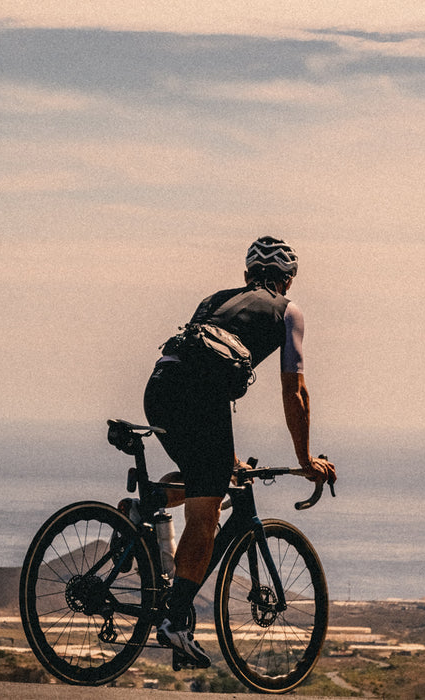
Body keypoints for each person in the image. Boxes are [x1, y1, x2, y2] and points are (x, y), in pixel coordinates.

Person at [143, 236, 336, 668]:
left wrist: (228, 458)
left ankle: (146, 506)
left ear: (247, 274)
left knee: (206, 476)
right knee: (206, 513)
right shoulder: (289, 311)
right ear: (289, 280)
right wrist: (305, 461)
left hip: (159, 389)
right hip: (202, 398)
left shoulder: (214, 299)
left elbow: (193, 359)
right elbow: (295, 392)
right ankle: (174, 621)